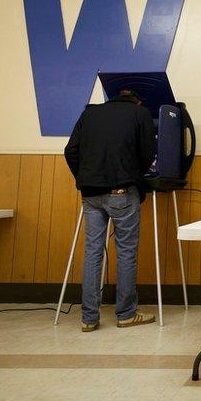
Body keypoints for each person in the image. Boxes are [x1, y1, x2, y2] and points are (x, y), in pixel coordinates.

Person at [64, 88, 157, 331]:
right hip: (121, 193)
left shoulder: (90, 114)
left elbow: (70, 151)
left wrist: (86, 178)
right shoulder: (140, 113)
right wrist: (132, 172)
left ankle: (88, 319)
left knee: (93, 252)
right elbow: (147, 155)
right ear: (137, 99)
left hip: (91, 194)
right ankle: (126, 313)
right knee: (125, 251)